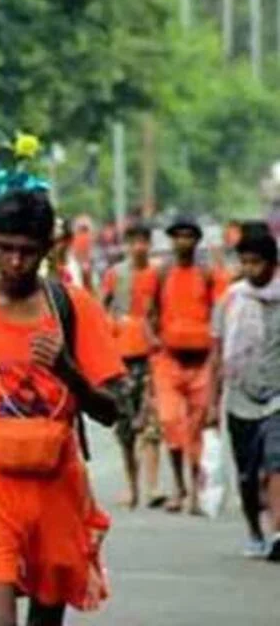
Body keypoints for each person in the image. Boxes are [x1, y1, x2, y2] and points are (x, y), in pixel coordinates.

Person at [0, 189, 121, 626]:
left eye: (28, 251)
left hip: (57, 486)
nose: (15, 262)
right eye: (6, 249)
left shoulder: (75, 309)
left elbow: (109, 411)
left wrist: (68, 370)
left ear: (49, 249)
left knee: (46, 619)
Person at [210, 224, 280, 561]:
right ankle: (255, 529)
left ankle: (278, 532)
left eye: (258, 262)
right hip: (240, 397)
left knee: (276, 460)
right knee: (247, 474)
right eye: (246, 262)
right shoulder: (232, 300)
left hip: (277, 397)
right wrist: (211, 403)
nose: (252, 269)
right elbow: (217, 351)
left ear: (272, 263)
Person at [153, 215, 224, 515]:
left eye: (188, 235)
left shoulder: (208, 275)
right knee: (170, 423)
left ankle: (195, 492)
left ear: (197, 241)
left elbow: (219, 316)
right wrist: (153, 342)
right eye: (178, 236)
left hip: (201, 362)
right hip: (168, 359)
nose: (183, 241)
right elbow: (151, 312)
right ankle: (179, 488)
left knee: (196, 431)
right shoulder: (162, 274)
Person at [100, 222, 164, 509]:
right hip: (121, 356)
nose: (139, 247)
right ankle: (132, 486)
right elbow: (102, 309)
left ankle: (152, 487)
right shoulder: (116, 275)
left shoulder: (157, 274)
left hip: (150, 354)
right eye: (134, 241)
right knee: (125, 427)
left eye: (143, 241)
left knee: (151, 423)